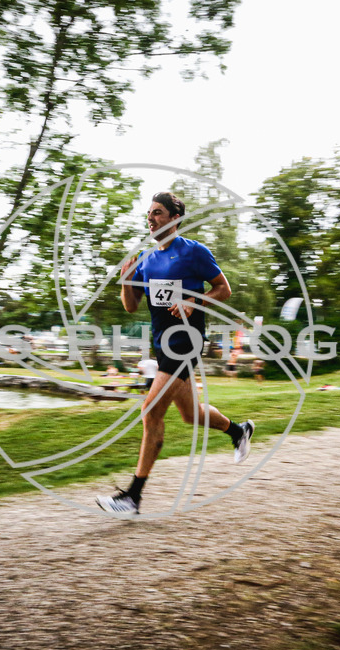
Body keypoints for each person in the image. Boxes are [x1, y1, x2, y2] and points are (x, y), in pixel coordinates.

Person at [96, 191, 255, 515]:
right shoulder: (147, 260)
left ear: (174, 218)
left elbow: (223, 289)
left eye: (157, 212)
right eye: (149, 213)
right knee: (189, 414)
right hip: (162, 343)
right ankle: (239, 431)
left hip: (186, 341)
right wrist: (126, 281)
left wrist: (194, 301)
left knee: (151, 411)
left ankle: (133, 497)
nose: (150, 218)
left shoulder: (193, 252)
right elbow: (130, 307)